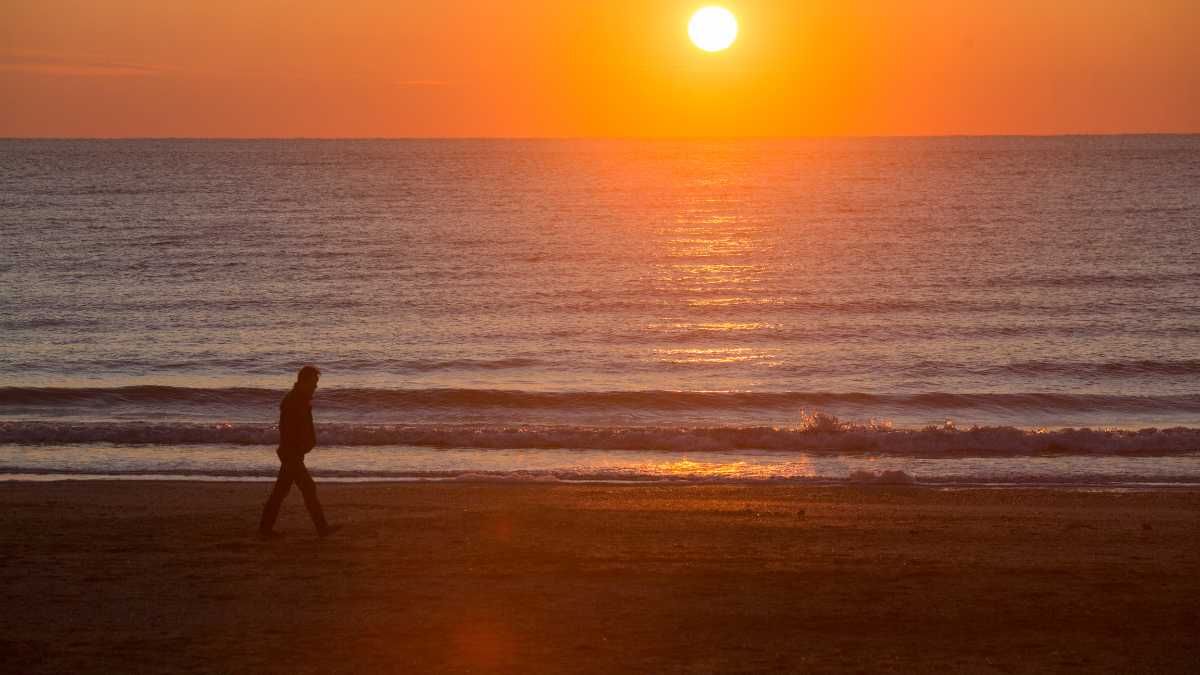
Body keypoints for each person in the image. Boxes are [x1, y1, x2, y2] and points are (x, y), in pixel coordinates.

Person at [258, 365, 339, 539]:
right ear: (304, 381)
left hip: (292, 453)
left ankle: (265, 529)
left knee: (281, 491)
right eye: (313, 382)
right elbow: (288, 431)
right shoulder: (293, 401)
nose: (316, 386)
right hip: (292, 454)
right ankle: (322, 529)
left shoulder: (299, 400)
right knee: (307, 488)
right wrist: (296, 451)